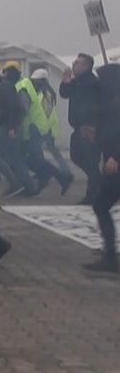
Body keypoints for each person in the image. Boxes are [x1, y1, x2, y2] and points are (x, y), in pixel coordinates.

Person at [4, 61, 73, 195]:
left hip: (32, 129)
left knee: (31, 159)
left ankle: (59, 177)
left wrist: (15, 126)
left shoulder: (24, 87)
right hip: (36, 128)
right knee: (33, 159)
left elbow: (24, 109)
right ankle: (52, 177)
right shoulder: (30, 87)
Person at [0, 59, 37, 197]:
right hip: (5, 125)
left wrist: (13, 127)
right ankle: (30, 187)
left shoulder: (3, 86)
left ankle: (14, 183)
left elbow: (14, 108)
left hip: (7, 126)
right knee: (14, 157)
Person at [84, 63, 120, 273]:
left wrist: (116, 156)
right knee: (101, 205)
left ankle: (110, 257)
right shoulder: (109, 103)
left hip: (116, 164)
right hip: (112, 163)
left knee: (100, 205)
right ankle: (109, 255)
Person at [60, 53, 102, 205]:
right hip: (78, 127)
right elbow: (64, 93)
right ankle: (99, 185)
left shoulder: (92, 82)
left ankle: (94, 193)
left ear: (86, 66)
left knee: (91, 161)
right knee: (76, 157)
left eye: (77, 63)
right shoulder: (77, 81)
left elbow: (96, 106)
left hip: (89, 128)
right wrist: (65, 81)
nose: (73, 65)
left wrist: (92, 125)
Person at [31, 69, 72, 178]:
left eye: (37, 80)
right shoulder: (43, 92)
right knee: (47, 150)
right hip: (44, 127)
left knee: (48, 150)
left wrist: (43, 127)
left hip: (46, 127)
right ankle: (63, 170)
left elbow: (46, 112)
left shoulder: (46, 93)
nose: (35, 83)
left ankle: (64, 171)